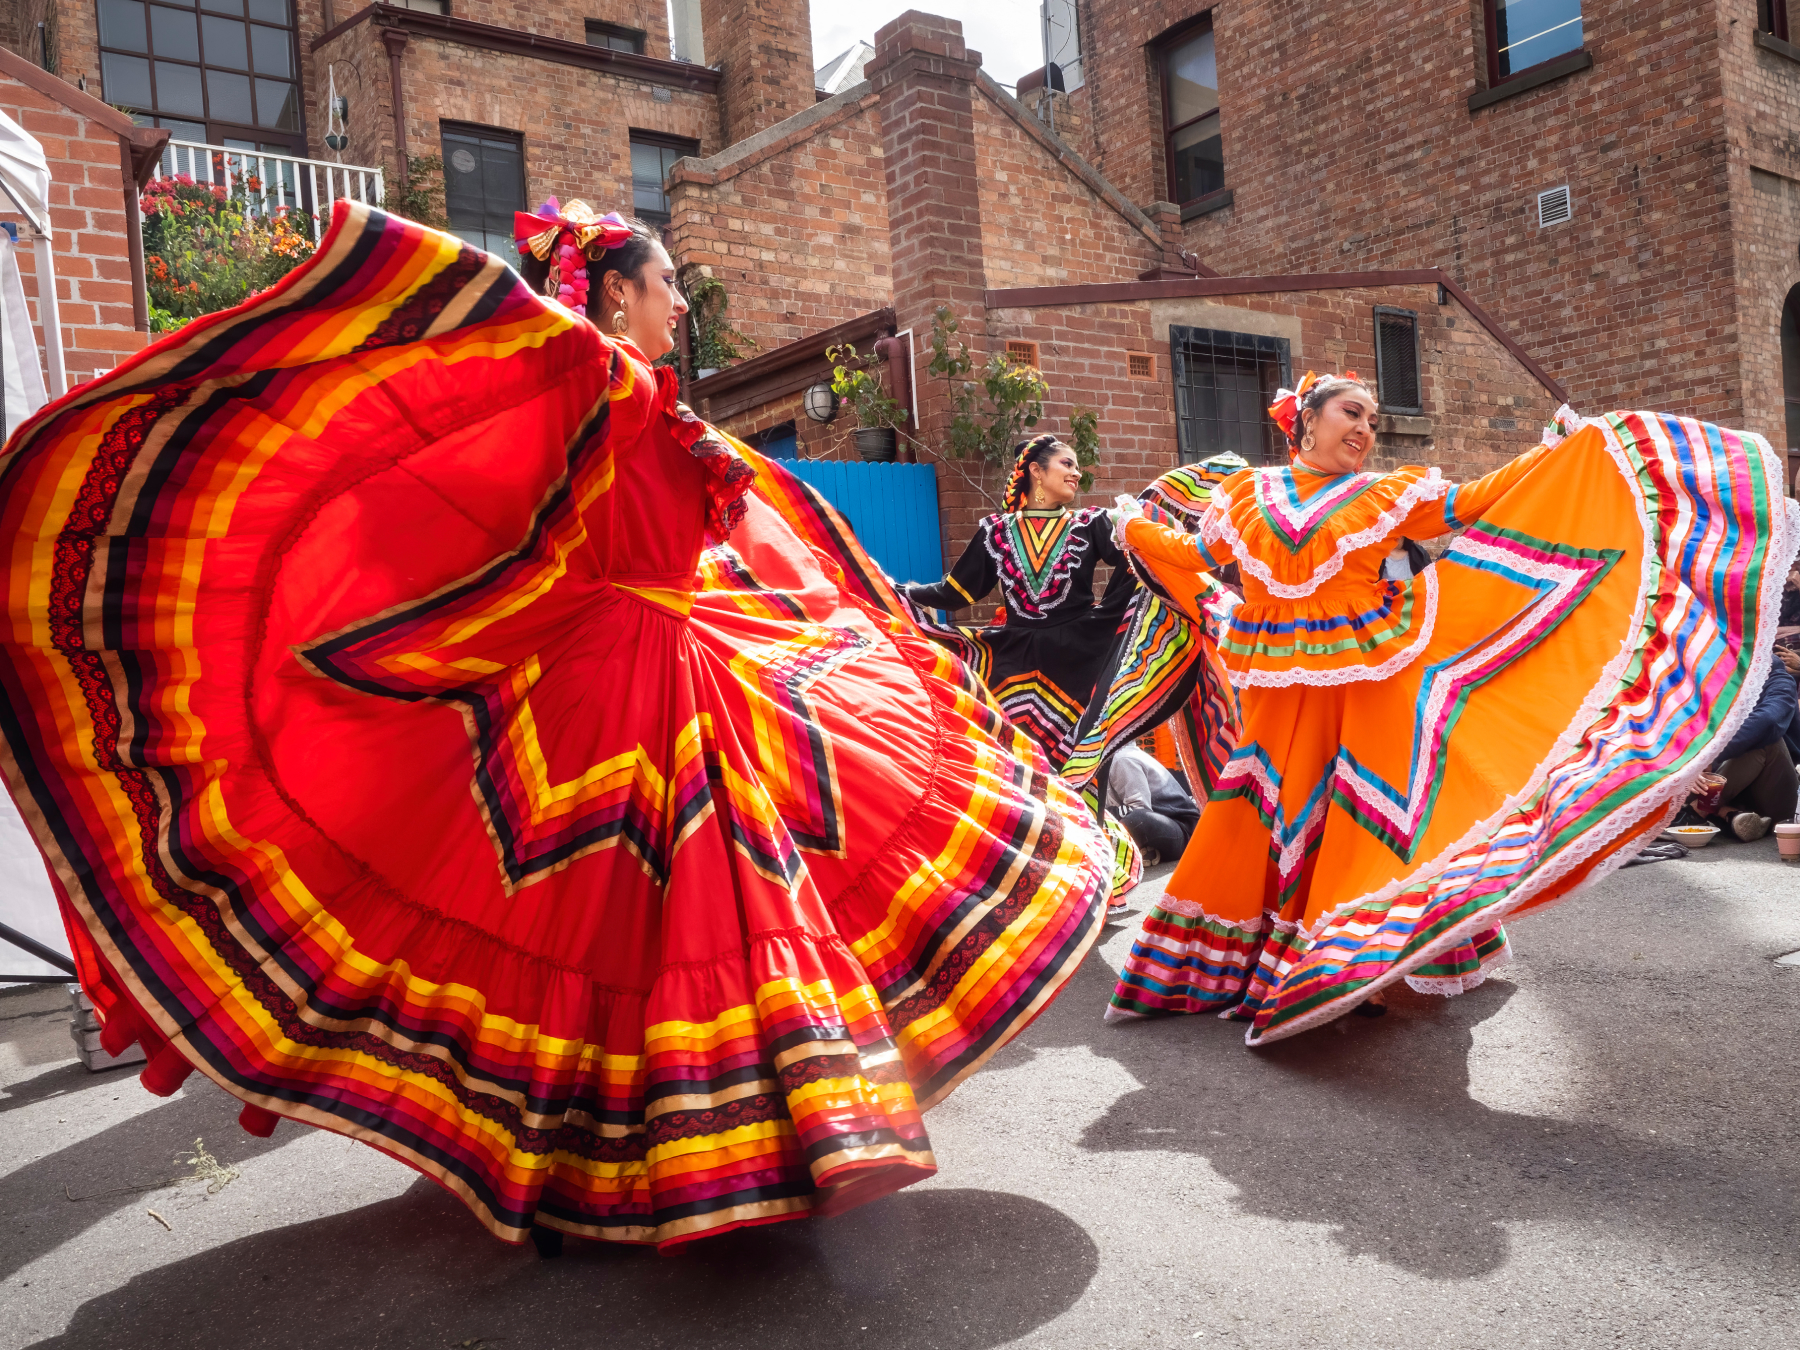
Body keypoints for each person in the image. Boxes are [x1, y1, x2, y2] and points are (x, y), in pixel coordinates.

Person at [0, 199, 1114, 1251]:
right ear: (615, 294)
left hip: (678, 664)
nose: (682, 304)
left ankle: (715, 1139)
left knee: (653, 922)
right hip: (623, 685)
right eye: (667, 283)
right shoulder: (579, 379)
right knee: (650, 921)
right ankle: (734, 1139)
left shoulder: (627, 396)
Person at [1107, 371, 1795, 1044]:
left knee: (1363, 826)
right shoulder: (1247, 496)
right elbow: (1194, 550)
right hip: (1280, 700)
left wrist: (1550, 455)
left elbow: (1474, 502)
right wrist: (1134, 529)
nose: (1365, 429)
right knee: (1261, 821)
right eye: (1352, 413)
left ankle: (1343, 963)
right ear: (1306, 419)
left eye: (1373, 420)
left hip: (1367, 691)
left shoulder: (1383, 494)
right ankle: (1240, 967)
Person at [903, 435, 1135, 769]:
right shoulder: (996, 531)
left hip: (1079, 657)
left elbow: (1134, 559)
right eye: (1067, 464)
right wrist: (898, 591)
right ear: (1037, 471)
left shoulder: (1091, 524)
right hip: (1015, 660)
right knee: (1013, 761)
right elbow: (955, 594)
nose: (1076, 474)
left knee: (1078, 761)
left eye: (1078, 467)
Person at [1704, 652, 1800, 838]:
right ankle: (1730, 814)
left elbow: (1768, 721)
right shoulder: (1714, 688)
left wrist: (1711, 755)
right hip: (1736, 789)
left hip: (1779, 794)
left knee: (1764, 739)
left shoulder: (1779, 681)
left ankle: (1697, 812)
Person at [1105, 744, 1201, 865]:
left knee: (1135, 820)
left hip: (1183, 832)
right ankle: (1145, 851)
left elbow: (1139, 809)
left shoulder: (1122, 760)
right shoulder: (1104, 763)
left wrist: (1102, 814)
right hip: (1161, 829)